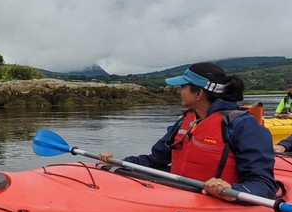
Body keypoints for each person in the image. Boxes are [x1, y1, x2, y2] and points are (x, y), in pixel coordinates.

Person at [97, 62, 278, 199]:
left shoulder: (243, 126)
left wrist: (230, 190)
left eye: (183, 87)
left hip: (215, 201)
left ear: (199, 93)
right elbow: (156, 159)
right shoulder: (186, 120)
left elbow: (264, 185)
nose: (178, 92)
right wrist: (120, 162)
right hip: (180, 194)